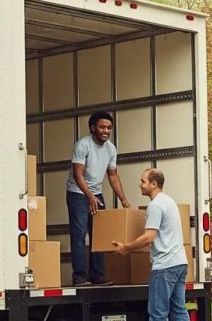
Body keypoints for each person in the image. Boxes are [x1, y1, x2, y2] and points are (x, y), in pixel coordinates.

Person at [113, 169, 188, 321]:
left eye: (143, 181)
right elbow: (159, 238)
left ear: (154, 184)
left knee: (158, 315)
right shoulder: (169, 202)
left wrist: (126, 248)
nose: (140, 185)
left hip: (164, 267)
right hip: (180, 263)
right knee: (179, 311)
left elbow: (149, 236)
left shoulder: (156, 205)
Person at [66, 111, 130, 286]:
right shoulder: (83, 145)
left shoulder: (111, 148)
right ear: (93, 128)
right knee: (79, 234)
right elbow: (78, 175)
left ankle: (97, 276)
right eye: (102, 127)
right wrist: (89, 196)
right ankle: (79, 277)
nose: (106, 131)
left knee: (99, 235)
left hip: (96, 194)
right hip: (78, 193)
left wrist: (123, 199)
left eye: (109, 128)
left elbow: (113, 176)